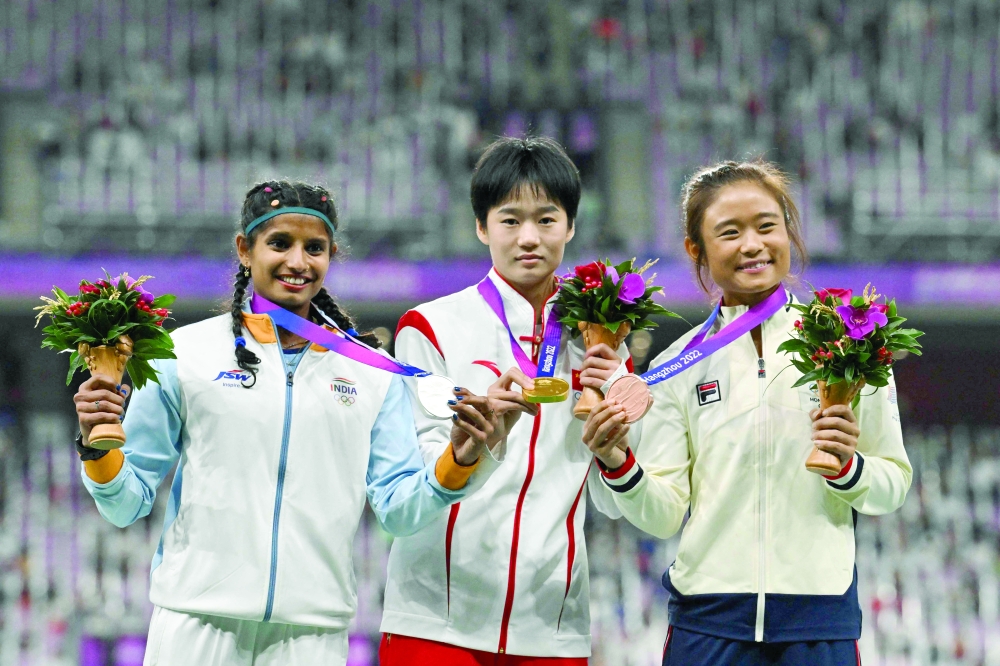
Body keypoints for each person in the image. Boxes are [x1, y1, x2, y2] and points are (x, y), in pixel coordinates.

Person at [72, 180, 510, 666]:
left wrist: (460, 459)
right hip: (194, 621)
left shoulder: (371, 370)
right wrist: (97, 447)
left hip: (312, 634)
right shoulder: (182, 353)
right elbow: (126, 505)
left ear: (331, 256)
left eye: (314, 248)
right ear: (244, 248)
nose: (298, 262)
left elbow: (397, 509)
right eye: (279, 243)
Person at [583, 160, 911, 665]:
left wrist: (850, 467)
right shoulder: (679, 364)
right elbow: (665, 513)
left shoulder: (850, 346)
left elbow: (891, 485)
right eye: (729, 232)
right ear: (697, 249)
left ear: (788, 232)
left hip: (818, 624)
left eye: (766, 226)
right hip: (707, 626)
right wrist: (618, 462)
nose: (753, 244)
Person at [378, 136, 631, 664]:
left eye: (547, 219)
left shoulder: (602, 341)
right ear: (481, 226)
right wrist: (471, 449)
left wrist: (616, 435)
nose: (529, 238)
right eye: (510, 220)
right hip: (435, 623)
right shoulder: (431, 328)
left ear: (571, 225)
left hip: (552, 630)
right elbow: (415, 478)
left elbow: (613, 499)